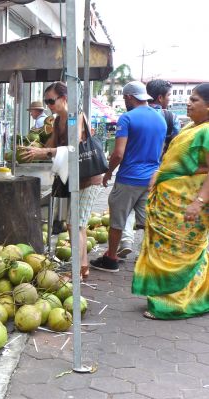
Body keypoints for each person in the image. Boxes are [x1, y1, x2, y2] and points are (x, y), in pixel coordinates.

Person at [132, 83, 209, 320]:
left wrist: (198, 202)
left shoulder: (206, 131)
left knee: (178, 255)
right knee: (167, 253)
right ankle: (169, 297)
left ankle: (175, 305)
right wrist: (159, 174)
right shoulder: (191, 127)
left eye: (194, 100)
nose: (188, 102)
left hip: (186, 206)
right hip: (170, 204)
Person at [21, 81, 102, 280]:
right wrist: (32, 149)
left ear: (64, 99)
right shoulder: (58, 121)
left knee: (76, 224)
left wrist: (43, 150)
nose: (48, 105)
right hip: (74, 178)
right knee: (75, 224)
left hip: (88, 177)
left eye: (51, 101)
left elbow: (74, 148)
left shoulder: (75, 117)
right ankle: (82, 268)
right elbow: (51, 144)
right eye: (46, 102)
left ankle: (79, 270)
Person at [91, 81, 166, 273]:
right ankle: (154, 260)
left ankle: (111, 259)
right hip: (150, 180)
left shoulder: (127, 118)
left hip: (128, 179)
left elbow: (118, 154)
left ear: (129, 97)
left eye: (125, 98)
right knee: (148, 222)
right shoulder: (160, 119)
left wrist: (108, 173)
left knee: (117, 221)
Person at [118, 79, 182, 258]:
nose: (170, 99)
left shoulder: (130, 116)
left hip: (129, 173)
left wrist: (109, 171)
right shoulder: (168, 117)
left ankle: (125, 240)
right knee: (151, 213)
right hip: (159, 171)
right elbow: (176, 146)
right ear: (160, 97)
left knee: (125, 209)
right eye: (169, 95)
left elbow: (120, 150)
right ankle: (149, 253)